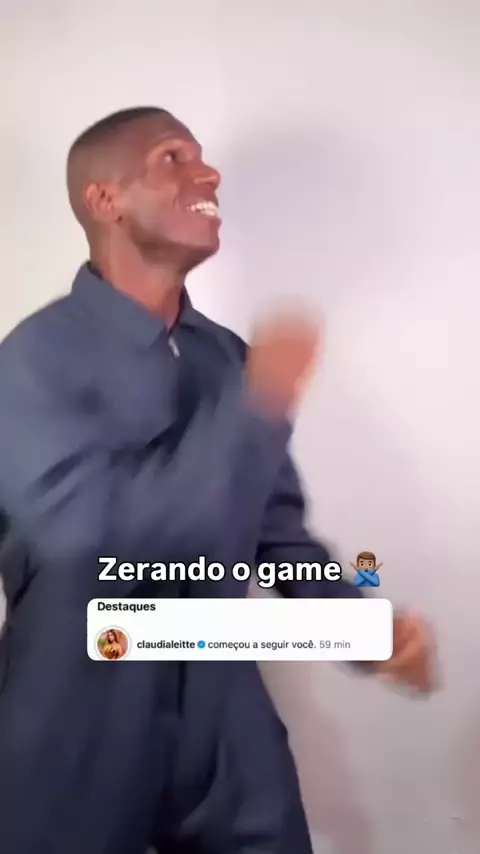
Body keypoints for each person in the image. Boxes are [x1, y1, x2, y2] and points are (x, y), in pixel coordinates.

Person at [0, 106, 436, 854]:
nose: (209, 174)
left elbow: (279, 536)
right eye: (173, 158)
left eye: (201, 156)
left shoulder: (228, 360)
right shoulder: (30, 362)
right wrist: (259, 409)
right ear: (105, 200)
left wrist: (362, 628)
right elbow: (91, 539)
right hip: (73, 720)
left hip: (224, 717)